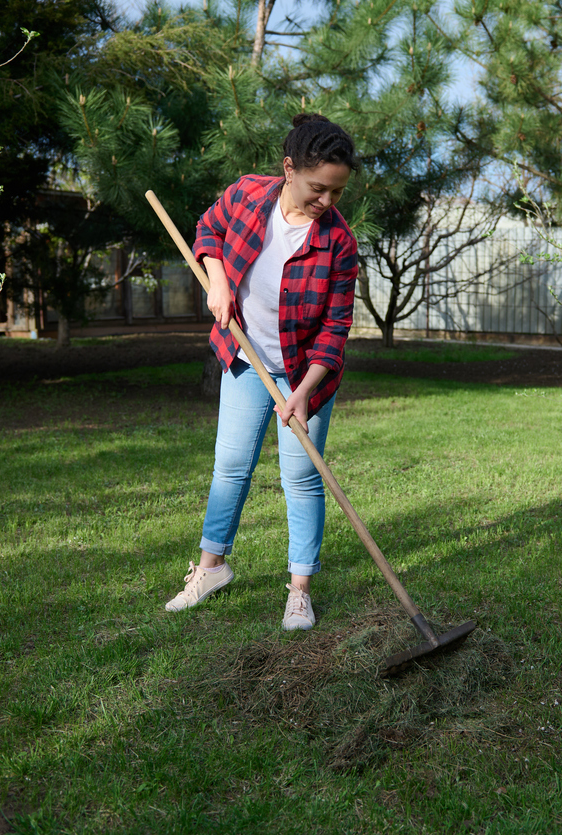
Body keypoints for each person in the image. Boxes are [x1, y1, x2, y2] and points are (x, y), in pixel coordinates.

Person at [165, 113, 359, 631]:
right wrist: (219, 279)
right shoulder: (249, 195)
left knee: (301, 477)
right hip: (246, 360)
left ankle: (299, 590)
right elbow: (208, 229)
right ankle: (211, 568)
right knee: (230, 465)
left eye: (337, 193)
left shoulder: (338, 240)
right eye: (319, 189)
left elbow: (337, 327)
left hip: (303, 372)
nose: (327, 203)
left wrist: (305, 392)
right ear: (289, 168)